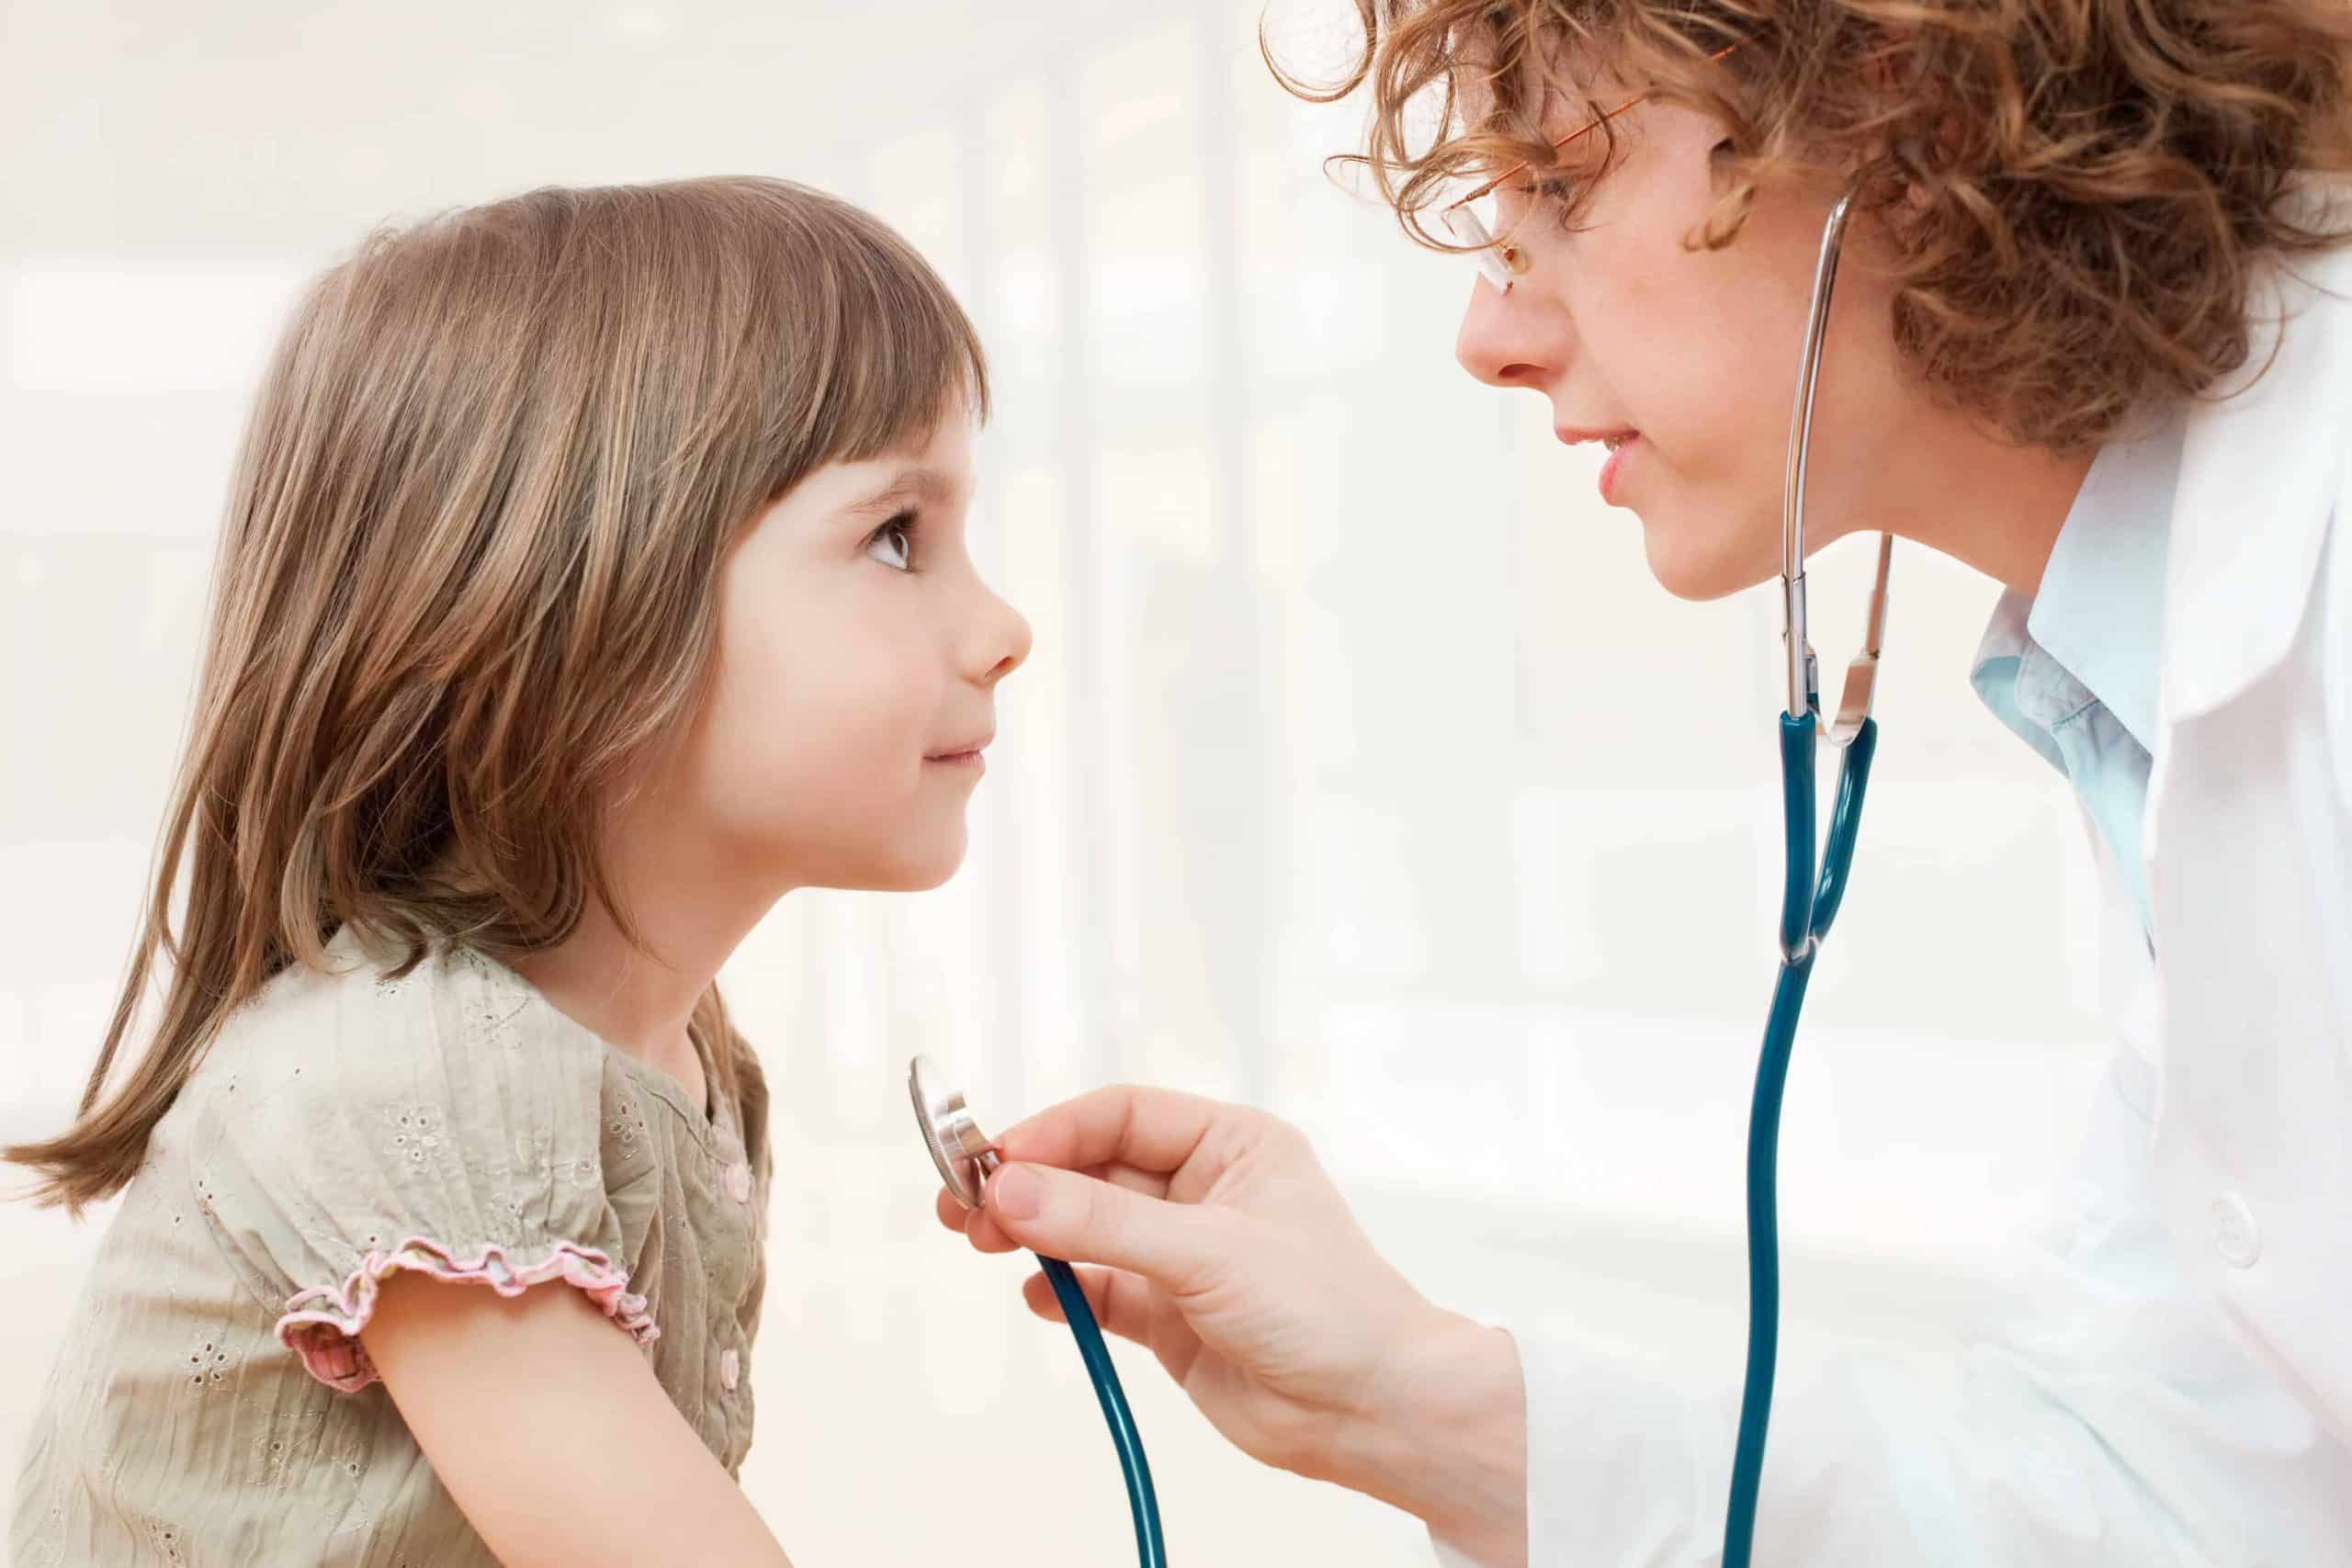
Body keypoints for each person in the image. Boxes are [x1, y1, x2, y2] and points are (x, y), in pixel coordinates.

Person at [938, 2, 2352, 1562]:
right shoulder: (2155, 690)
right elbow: (2172, 1494)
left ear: (1909, 113)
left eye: (1558, 184)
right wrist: (1407, 1399)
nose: (1489, 332)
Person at [6, 177, 1030, 1566]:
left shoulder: (679, 1061)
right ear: (579, 601)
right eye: (896, 537)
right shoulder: (411, 1078)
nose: (1004, 626)